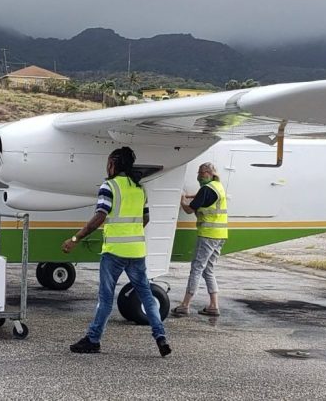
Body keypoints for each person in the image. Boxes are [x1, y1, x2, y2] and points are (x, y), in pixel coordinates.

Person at [62, 146, 171, 357]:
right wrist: (132, 232)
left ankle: (93, 340)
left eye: (108, 162)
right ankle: (160, 337)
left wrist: (75, 238)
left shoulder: (109, 186)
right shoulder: (139, 189)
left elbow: (99, 217)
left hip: (114, 252)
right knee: (147, 296)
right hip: (137, 251)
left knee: (105, 298)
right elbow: (145, 218)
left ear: (114, 164)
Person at [172, 162, 228, 317]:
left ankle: (185, 304)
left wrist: (182, 200)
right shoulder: (218, 186)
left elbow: (189, 209)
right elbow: (204, 203)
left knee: (197, 268)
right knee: (208, 269)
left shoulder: (206, 189)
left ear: (208, 173)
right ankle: (214, 305)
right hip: (220, 235)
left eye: (201, 172)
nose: (198, 176)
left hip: (208, 235)